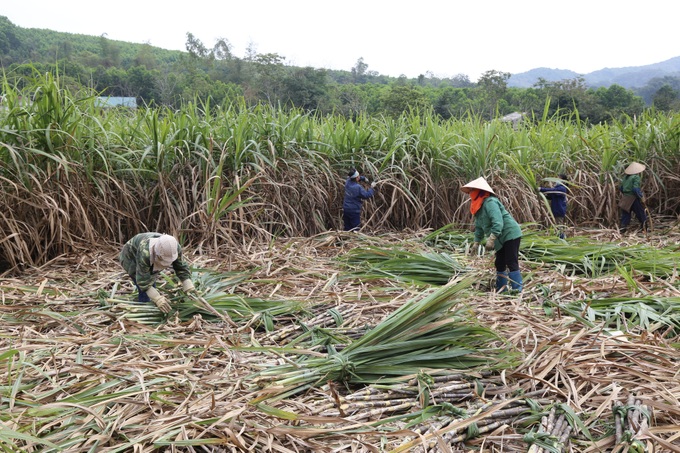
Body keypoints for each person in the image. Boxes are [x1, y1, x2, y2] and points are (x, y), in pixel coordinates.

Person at [462, 177, 523, 292]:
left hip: (510, 234)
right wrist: (476, 242)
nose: (470, 193)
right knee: (499, 262)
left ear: (479, 191)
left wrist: (491, 238)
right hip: (500, 238)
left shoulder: (490, 202)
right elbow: (479, 227)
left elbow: (498, 222)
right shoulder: (477, 207)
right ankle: (501, 290)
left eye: (472, 190)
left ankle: (517, 291)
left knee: (511, 261)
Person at [119, 232, 195, 313]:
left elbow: (181, 266)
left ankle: (152, 304)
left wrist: (187, 283)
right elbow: (143, 281)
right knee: (144, 289)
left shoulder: (175, 247)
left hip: (148, 257)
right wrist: (157, 298)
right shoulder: (145, 252)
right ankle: (144, 309)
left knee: (152, 282)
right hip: (130, 257)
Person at [619, 162, 648, 233]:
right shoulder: (636, 177)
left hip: (625, 199)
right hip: (633, 199)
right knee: (641, 213)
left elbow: (621, 188)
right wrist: (641, 197)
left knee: (625, 214)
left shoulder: (625, 178)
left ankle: (622, 230)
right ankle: (645, 228)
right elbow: (635, 189)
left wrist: (626, 193)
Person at [538, 174, 569, 239]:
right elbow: (551, 196)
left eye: (558, 178)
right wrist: (543, 195)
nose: (556, 180)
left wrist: (541, 189)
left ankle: (562, 239)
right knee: (557, 226)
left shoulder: (562, 188)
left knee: (559, 226)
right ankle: (561, 238)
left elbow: (552, 191)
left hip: (559, 210)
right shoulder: (557, 188)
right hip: (556, 210)